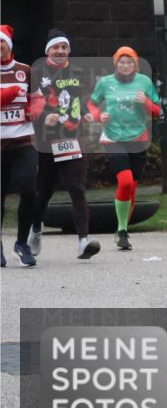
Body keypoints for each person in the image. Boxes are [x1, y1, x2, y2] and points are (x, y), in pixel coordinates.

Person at [28, 29, 100, 260]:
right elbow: (30, 103)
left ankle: (83, 241)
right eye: (55, 47)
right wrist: (42, 116)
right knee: (43, 193)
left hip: (71, 140)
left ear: (68, 50)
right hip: (45, 141)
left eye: (64, 47)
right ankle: (36, 229)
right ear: (48, 51)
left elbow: (84, 99)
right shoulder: (37, 71)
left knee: (77, 188)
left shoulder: (78, 71)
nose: (60, 51)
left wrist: (89, 113)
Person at [86, 46, 161, 251]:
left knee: (132, 187)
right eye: (122, 61)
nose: (126, 65)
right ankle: (122, 230)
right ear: (116, 63)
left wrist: (145, 101)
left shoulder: (144, 82)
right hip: (113, 137)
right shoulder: (105, 82)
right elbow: (91, 105)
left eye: (130, 62)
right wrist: (99, 116)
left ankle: (122, 230)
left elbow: (157, 110)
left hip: (138, 138)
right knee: (125, 181)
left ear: (135, 64)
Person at [1, 24, 38, 267]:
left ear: (9, 46)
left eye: (1, 43)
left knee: (28, 189)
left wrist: (35, 109)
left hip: (23, 141)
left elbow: (41, 98)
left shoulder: (25, 70)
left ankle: (22, 244)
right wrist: (10, 93)